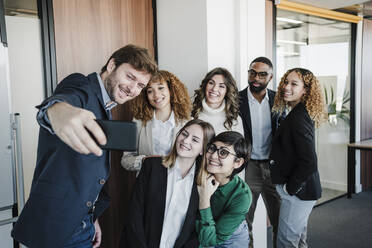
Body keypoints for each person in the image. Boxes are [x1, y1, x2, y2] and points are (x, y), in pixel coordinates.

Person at [11, 44, 157, 248]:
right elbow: (62, 100)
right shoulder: (81, 84)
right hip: (58, 226)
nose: (133, 89)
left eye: (140, 85)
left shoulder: (107, 105)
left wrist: (91, 214)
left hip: (82, 221)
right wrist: (57, 112)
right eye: (130, 77)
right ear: (112, 65)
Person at [120, 119, 215, 247]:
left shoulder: (204, 183)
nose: (186, 141)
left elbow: (194, 234)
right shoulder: (151, 166)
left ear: (203, 150)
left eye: (195, 140)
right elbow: (134, 216)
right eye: (184, 134)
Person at [270, 68, 327, 248]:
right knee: (299, 240)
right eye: (286, 82)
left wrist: (290, 188)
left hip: (298, 192)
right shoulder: (297, 112)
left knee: (286, 241)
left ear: (306, 90)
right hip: (303, 191)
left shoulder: (298, 118)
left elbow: (309, 161)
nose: (287, 87)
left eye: (294, 84)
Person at [239, 57, 281, 248]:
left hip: (274, 168)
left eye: (262, 74)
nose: (256, 77)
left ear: (270, 77)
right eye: (252, 72)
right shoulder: (236, 100)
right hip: (249, 168)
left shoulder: (279, 100)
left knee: (281, 220)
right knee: (244, 219)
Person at [121, 70, 191, 172]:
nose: (156, 95)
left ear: (171, 90)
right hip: (148, 184)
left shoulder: (188, 123)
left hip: (177, 184)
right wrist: (145, 161)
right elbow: (126, 160)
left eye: (160, 88)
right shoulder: (138, 122)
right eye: (150, 91)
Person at [196, 131, 252, 247]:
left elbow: (210, 241)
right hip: (203, 231)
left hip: (230, 238)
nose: (213, 156)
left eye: (223, 153)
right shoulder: (198, 172)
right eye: (212, 148)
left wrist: (204, 199)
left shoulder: (242, 196)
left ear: (238, 162)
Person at [192, 67, 244, 136]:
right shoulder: (190, 111)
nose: (214, 89)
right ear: (205, 86)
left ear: (227, 91)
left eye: (221, 86)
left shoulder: (235, 120)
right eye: (211, 83)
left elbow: (238, 146)